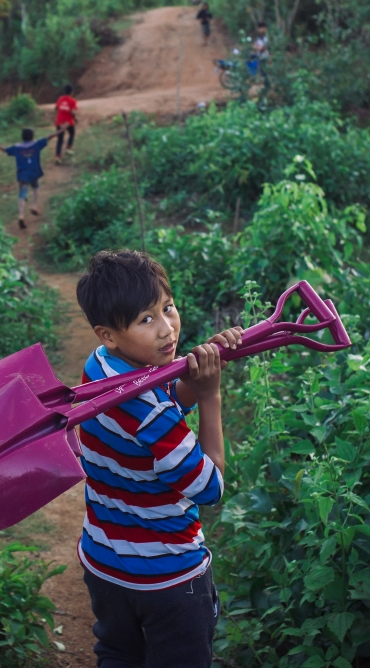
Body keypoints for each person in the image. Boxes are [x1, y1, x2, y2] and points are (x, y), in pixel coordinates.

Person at [74, 249, 243, 668]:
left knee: (117, 655)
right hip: (168, 577)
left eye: (167, 308)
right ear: (108, 333)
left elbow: (158, 403)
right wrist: (209, 395)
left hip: (105, 564)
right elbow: (210, 487)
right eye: (146, 319)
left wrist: (192, 378)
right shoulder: (152, 414)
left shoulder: (100, 369)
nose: (168, 329)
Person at [0, 128, 48, 229]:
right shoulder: (36, 144)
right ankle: (34, 206)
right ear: (32, 136)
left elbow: (5, 150)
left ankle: (21, 216)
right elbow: (50, 137)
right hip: (34, 172)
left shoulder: (17, 147)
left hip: (22, 175)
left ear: (22, 137)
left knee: (22, 194)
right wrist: (62, 130)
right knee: (36, 187)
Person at [54, 84, 78, 164]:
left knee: (60, 140)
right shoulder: (73, 101)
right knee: (72, 133)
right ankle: (68, 148)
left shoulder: (60, 98)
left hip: (59, 121)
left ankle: (57, 157)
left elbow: (56, 108)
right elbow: (72, 112)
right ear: (71, 92)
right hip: (68, 122)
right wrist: (75, 119)